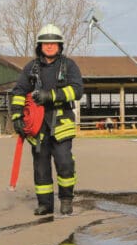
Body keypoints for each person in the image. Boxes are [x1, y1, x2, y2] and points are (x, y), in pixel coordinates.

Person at [10, 24, 84, 216]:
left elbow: (77, 90)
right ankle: (45, 204)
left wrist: (51, 96)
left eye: (53, 43)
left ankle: (66, 200)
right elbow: (19, 91)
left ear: (60, 46)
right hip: (38, 128)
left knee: (65, 162)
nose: (50, 46)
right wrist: (17, 116)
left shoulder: (68, 66)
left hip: (61, 124)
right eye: (46, 43)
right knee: (41, 167)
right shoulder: (31, 68)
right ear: (39, 46)